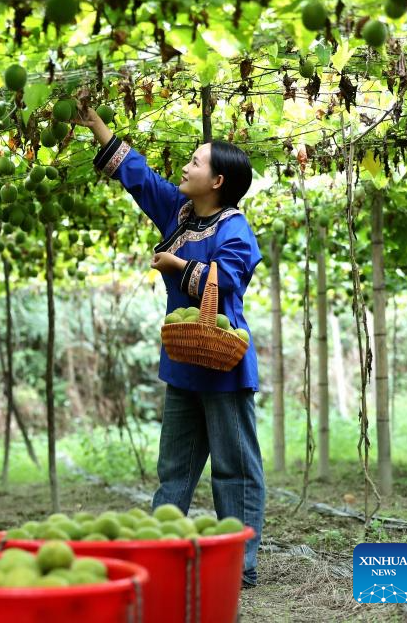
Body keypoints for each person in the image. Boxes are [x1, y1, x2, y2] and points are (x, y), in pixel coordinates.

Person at [75, 107, 266, 589]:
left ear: (218, 180)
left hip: (223, 365)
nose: (186, 166)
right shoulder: (180, 214)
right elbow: (138, 177)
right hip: (183, 363)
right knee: (174, 470)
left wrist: (177, 266)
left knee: (234, 470)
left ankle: (238, 564)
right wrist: (95, 124)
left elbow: (228, 282)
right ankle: (160, 552)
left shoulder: (234, 230)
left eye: (196, 163)